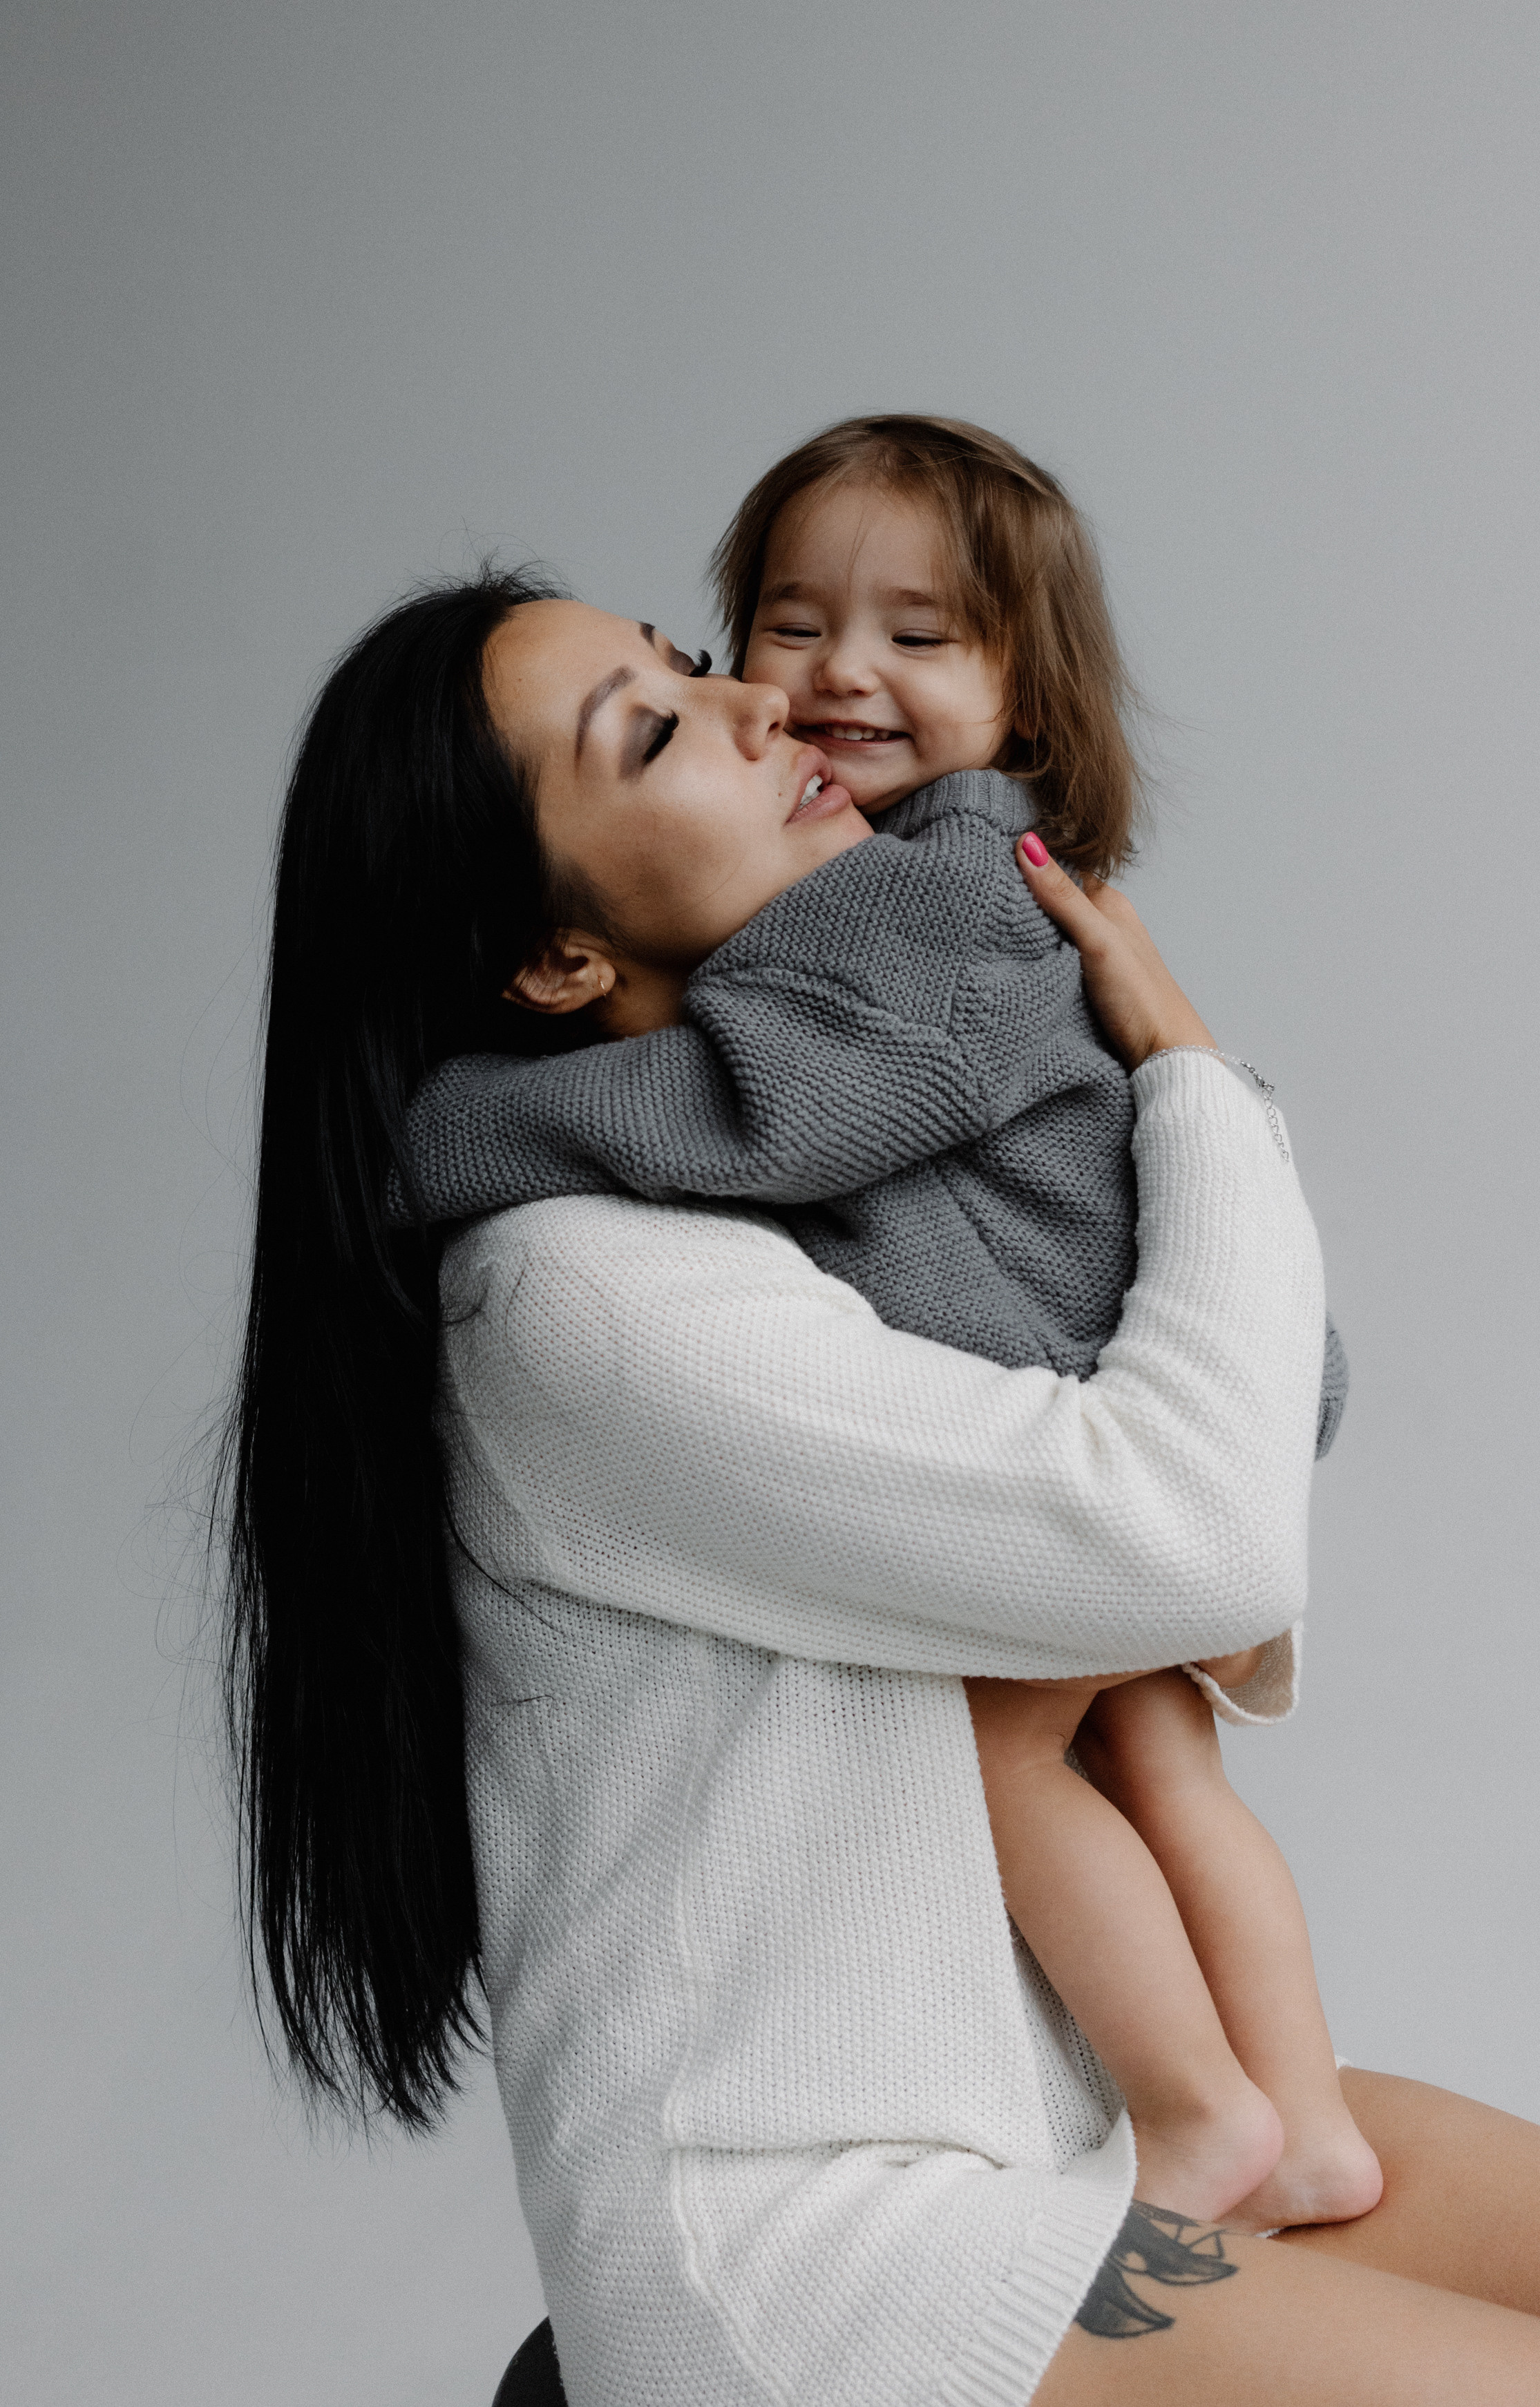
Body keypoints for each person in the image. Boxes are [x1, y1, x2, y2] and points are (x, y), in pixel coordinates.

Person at [220, 564, 1540, 2405]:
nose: (760, 707)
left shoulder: (814, 1190)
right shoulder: (575, 1296)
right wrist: (1189, 1070)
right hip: (829, 2253)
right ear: (553, 959)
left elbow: (1180, 1540)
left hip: (1078, 2141)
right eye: (652, 731)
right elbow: (1194, 1528)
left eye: (693, 664)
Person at [394, 415, 1367, 2231]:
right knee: (1157, 1760)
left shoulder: (929, 899)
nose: (823, 684)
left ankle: (1202, 2107)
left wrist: (467, 1121)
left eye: (922, 638)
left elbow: (757, 1113)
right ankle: (1288, 2107)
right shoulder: (898, 911)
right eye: (770, 627)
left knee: (1009, 1760)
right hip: (1091, 1349)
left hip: (1082, 1353)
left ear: (1025, 692)